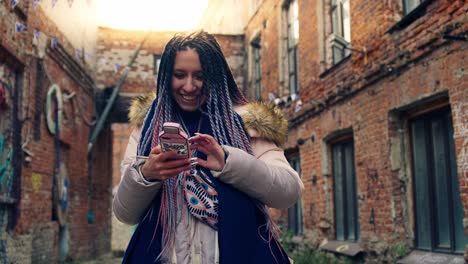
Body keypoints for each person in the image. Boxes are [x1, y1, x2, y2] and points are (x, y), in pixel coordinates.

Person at [113, 31, 304, 264]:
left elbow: (289, 191)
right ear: (166, 77)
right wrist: (146, 175)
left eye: (200, 76)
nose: (190, 86)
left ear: (215, 77)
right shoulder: (147, 130)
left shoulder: (246, 126)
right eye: (179, 75)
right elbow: (125, 213)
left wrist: (228, 163)